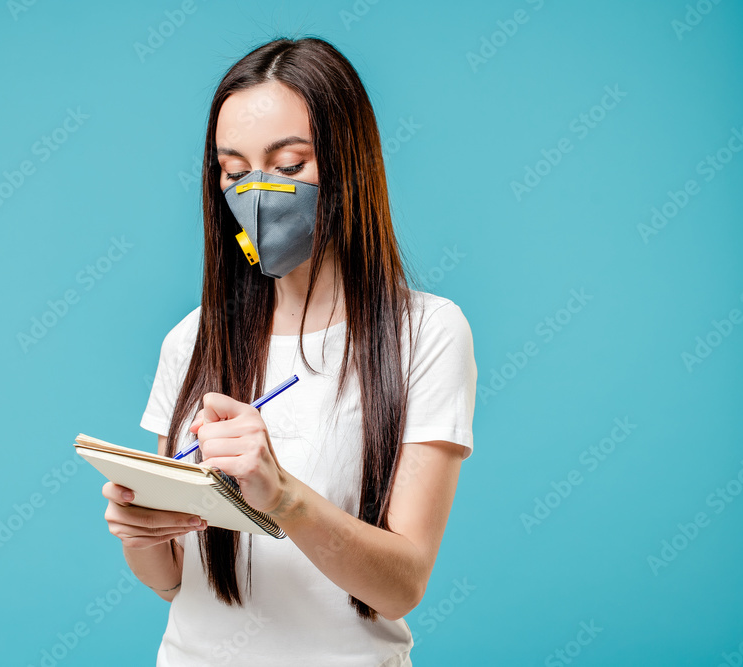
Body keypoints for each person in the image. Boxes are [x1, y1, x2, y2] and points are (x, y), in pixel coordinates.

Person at [101, 36, 476, 666]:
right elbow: (172, 583)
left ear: (349, 163)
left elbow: (401, 586)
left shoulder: (427, 333)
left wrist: (281, 496)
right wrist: (139, 533)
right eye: (236, 171)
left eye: (290, 164)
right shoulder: (192, 339)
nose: (257, 194)